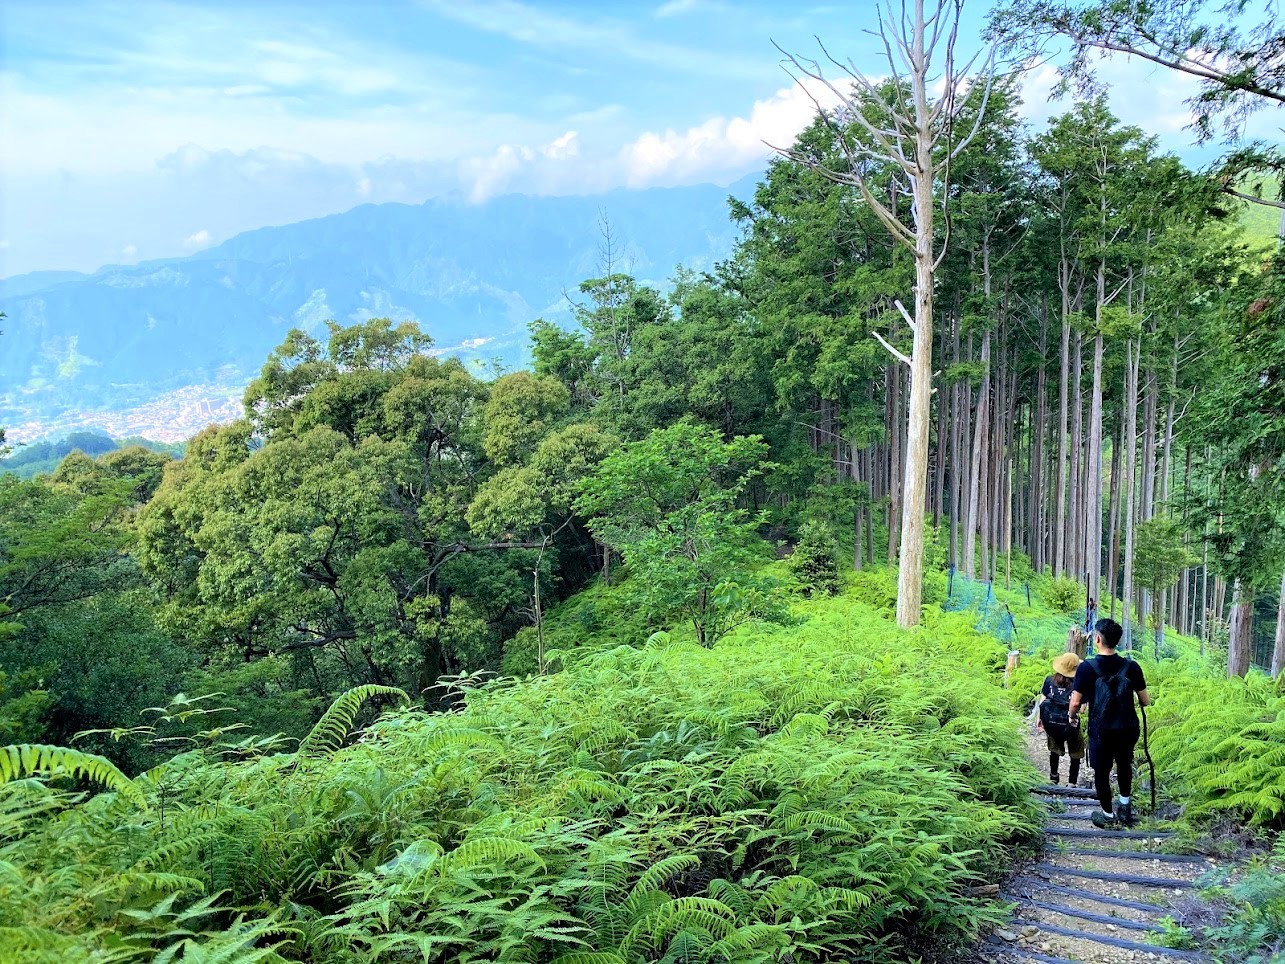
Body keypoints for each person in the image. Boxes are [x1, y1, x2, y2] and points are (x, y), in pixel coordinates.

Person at [1069, 617, 1151, 828]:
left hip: (1101, 730)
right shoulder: (1131, 667)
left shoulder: (1087, 667)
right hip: (1127, 728)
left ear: (1097, 639)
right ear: (1117, 641)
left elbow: (1076, 702)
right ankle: (1124, 807)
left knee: (1102, 770)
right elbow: (1145, 701)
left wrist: (1072, 716)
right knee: (1124, 764)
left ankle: (1107, 815)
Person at [1036, 652, 1083, 785]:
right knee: (1075, 752)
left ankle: (1053, 777)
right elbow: (1082, 708)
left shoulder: (1049, 680)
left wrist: (1040, 718)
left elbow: (1043, 699)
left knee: (1054, 750)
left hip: (1051, 721)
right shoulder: (1078, 685)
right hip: (1071, 724)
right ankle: (1072, 782)